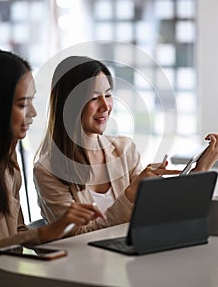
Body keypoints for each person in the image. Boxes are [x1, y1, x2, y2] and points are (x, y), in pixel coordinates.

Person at [33, 55, 218, 236]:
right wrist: (130, 196)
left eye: (108, 95)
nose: (105, 106)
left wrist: (201, 168)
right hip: (81, 264)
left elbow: (159, 216)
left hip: (129, 259)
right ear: (70, 104)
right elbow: (77, 236)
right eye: (94, 97)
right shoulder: (47, 170)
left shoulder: (124, 149)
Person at [0, 49, 104, 253]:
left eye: (32, 101)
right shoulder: (44, 167)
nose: (33, 112)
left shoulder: (7, 164)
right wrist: (45, 233)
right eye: (23, 104)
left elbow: (17, 234)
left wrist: (57, 229)